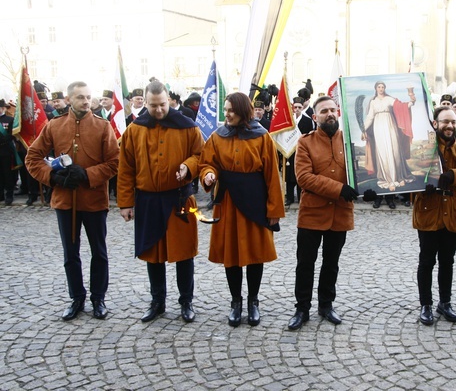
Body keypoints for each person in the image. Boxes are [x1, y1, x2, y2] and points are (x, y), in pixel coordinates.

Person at [25, 81, 119, 320]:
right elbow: (32, 157)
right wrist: (53, 177)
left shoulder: (102, 126)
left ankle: (98, 298)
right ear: (69, 100)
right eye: (80, 97)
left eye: (88, 97)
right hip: (65, 202)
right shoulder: (54, 126)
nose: (86, 101)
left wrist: (88, 175)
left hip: (94, 201)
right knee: (71, 253)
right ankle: (76, 297)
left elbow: (114, 163)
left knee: (99, 252)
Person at [117, 80, 203, 323]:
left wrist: (188, 167)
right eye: (153, 106)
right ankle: (158, 302)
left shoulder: (188, 127)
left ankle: (186, 301)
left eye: (162, 105)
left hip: (181, 198)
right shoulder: (134, 130)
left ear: (170, 101)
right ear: (145, 102)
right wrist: (125, 203)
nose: (158, 110)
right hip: (148, 200)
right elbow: (126, 169)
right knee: (152, 253)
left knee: (184, 253)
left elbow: (201, 155)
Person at [199, 92, 284, 327]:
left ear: (243, 111)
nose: (226, 114)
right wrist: (208, 174)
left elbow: (271, 176)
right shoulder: (217, 137)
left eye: (231, 110)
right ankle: (236, 302)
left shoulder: (262, 137)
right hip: (228, 202)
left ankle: (253, 302)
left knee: (255, 254)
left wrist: (274, 209)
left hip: (255, 201)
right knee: (231, 254)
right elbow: (207, 162)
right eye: (225, 110)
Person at [287, 96, 357, 330]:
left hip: (340, 214)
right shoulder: (305, 143)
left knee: (331, 263)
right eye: (324, 111)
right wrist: (339, 189)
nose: (330, 114)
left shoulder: (349, 141)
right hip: (312, 214)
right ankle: (302, 308)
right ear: (315, 117)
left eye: (333, 110)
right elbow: (304, 178)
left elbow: (361, 169)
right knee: (305, 263)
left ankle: (326, 305)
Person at [413, 107, 456, 325]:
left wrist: (453, 175)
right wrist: (422, 186)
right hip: (429, 211)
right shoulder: (422, 149)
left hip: (452, 212)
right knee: (426, 261)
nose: (450, 126)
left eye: (453, 122)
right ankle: (426, 304)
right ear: (435, 123)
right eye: (445, 122)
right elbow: (410, 172)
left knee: (447, 261)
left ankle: (445, 303)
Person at [363, 81, 416, 192]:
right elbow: (370, 117)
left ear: (385, 88)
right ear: (376, 88)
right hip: (378, 128)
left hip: (390, 126)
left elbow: (404, 107)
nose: (381, 89)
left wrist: (411, 96)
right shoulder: (373, 102)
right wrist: (363, 129)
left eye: (383, 87)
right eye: (379, 87)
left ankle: (399, 176)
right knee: (383, 153)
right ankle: (388, 180)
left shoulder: (390, 99)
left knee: (394, 151)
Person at [284, 97, 316, 206]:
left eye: (299, 107)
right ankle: (289, 198)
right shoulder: (288, 120)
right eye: (295, 107)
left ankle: (301, 196)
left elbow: (310, 137)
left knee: (300, 174)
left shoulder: (307, 120)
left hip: (301, 151)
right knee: (289, 175)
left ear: (302, 108)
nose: (297, 109)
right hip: (289, 151)